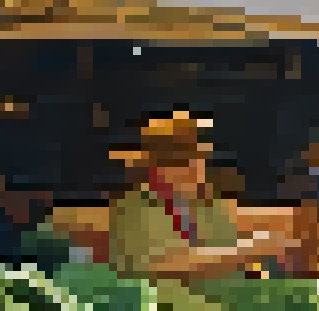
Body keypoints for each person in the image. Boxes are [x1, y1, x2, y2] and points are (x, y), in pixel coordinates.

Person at [108, 114, 295, 283]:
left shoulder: (208, 203)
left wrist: (259, 275)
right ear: (155, 167)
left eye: (198, 156)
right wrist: (241, 253)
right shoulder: (133, 206)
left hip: (212, 301)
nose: (197, 166)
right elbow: (162, 265)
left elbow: (234, 250)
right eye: (182, 158)